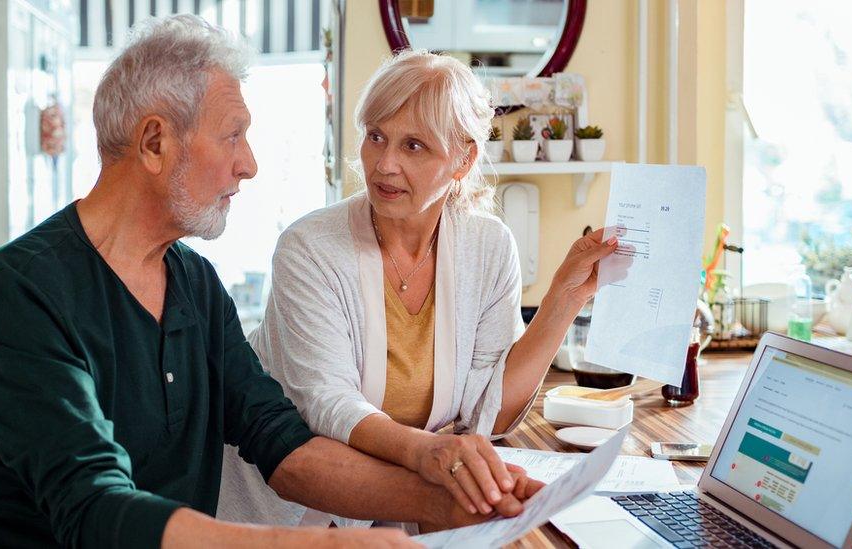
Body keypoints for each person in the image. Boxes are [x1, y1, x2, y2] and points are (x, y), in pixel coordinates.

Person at [0, 17, 542, 548]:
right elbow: (91, 508)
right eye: (233, 135)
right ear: (156, 143)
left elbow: (282, 443)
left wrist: (454, 501)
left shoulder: (194, 284)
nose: (250, 163)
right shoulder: (20, 292)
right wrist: (318, 546)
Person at [219, 50, 629, 527]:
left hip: (398, 511)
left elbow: (487, 411)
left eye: (414, 146)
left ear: (463, 158)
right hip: (286, 518)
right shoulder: (308, 249)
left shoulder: (488, 247)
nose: (384, 164)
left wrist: (566, 296)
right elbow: (327, 403)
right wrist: (431, 453)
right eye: (376, 137)